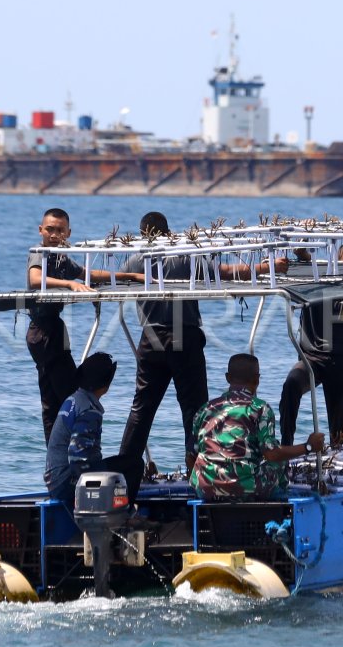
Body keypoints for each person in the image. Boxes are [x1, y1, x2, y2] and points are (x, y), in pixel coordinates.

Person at [115, 212, 287, 500]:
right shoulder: (184, 254)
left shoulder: (135, 259)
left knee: (142, 409)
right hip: (184, 335)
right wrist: (264, 267)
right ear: (170, 232)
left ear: (143, 233)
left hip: (151, 338)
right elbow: (222, 272)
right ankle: (197, 467)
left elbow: (115, 282)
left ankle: (124, 471)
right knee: (194, 410)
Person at [26, 208, 140, 442]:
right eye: (50, 230)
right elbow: (35, 279)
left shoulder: (62, 258)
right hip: (42, 331)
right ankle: (63, 450)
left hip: (55, 329)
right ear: (41, 231)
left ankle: (60, 449)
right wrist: (69, 285)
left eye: (60, 230)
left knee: (56, 397)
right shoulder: (41, 253)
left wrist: (128, 276)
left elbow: (88, 273)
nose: (55, 235)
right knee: (64, 395)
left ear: (69, 232)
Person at [190, 353, 326, 501]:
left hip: (205, 488)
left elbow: (191, 456)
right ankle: (282, 503)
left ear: (228, 378)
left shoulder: (205, 409)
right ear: (256, 379)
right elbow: (272, 454)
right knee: (279, 461)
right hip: (247, 490)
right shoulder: (260, 409)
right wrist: (308, 447)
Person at [279, 243, 343, 448]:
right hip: (311, 358)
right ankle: (286, 444)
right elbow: (306, 260)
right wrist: (301, 251)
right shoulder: (319, 275)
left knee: (338, 432)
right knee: (290, 386)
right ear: (335, 262)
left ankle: (337, 452)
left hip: (341, 359)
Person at [44, 352, 128, 507]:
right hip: (66, 483)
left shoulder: (74, 399)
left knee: (114, 467)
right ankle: (125, 515)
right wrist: (101, 482)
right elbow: (78, 460)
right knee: (132, 466)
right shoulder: (89, 411)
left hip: (55, 479)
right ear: (105, 385)